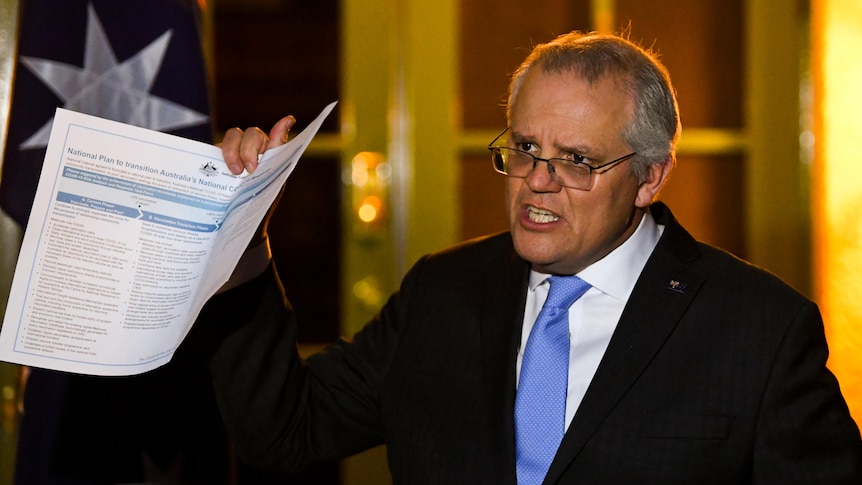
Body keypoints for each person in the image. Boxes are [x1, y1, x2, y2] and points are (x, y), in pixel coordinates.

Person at [207, 31, 862, 484]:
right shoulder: (444, 292)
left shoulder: (760, 331)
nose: (537, 181)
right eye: (523, 148)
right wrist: (241, 238)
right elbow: (283, 431)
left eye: (576, 160)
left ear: (650, 177)